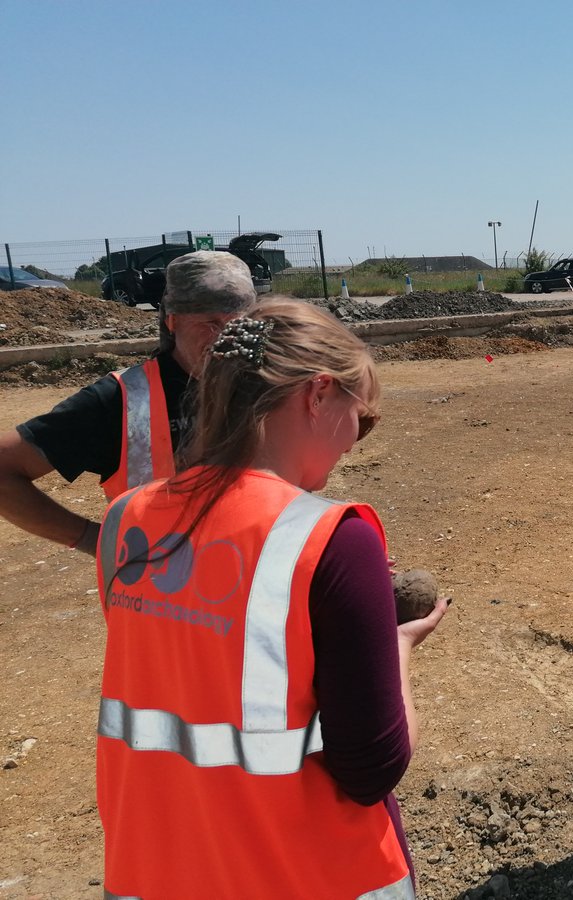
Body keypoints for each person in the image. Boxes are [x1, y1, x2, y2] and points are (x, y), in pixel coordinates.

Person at [94, 297, 448, 898]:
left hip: (160, 868)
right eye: (360, 417)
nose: (354, 443)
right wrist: (397, 647)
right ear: (317, 394)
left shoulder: (126, 518)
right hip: (302, 873)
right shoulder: (334, 537)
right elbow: (371, 768)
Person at [0, 251, 256, 555]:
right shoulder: (123, 399)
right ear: (172, 321)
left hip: (259, 583)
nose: (225, 336)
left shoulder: (266, 385)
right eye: (210, 322)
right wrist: (94, 539)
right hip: (162, 592)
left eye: (238, 323)